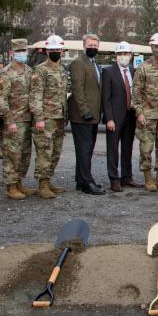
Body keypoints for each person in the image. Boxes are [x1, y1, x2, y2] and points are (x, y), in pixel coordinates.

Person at [29, 35, 68, 199]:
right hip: (46, 118)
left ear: (61, 50)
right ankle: (42, 185)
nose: (55, 52)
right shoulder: (41, 70)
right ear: (46, 51)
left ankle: (49, 179)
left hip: (59, 118)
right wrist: (39, 118)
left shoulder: (62, 69)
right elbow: (36, 95)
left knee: (55, 152)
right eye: (52, 50)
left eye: (57, 50)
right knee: (45, 152)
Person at [133, 33, 158, 192]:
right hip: (147, 116)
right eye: (156, 46)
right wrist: (139, 113)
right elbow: (136, 92)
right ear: (151, 47)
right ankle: (148, 179)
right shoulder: (143, 67)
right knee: (146, 149)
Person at [0, 39, 37, 200]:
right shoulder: (6, 72)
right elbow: (2, 99)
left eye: (24, 51)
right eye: (19, 51)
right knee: (12, 153)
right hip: (14, 120)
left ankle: (19, 181)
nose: (22, 54)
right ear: (12, 53)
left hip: (27, 119)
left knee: (24, 154)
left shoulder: (29, 70)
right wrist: (9, 121)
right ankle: (10, 186)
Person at [68, 34, 105, 195]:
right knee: (84, 149)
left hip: (93, 114)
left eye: (96, 45)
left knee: (88, 149)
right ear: (84, 45)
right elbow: (77, 89)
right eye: (90, 45)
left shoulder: (94, 63)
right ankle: (87, 182)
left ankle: (80, 180)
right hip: (83, 115)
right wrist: (85, 111)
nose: (93, 48)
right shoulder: (78, 63)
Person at [102, 41, 141, 191]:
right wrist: (109, 118)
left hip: (130, 116)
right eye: (120, 54)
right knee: (113, 149)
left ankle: (127, 177)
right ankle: (114, 179)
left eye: (126, 54)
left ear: (131, 55)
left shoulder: (133, 71)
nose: (123, 56)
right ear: (116, 56)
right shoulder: (108, 72)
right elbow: (106, 97)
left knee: (127, 148)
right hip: (115, 117)